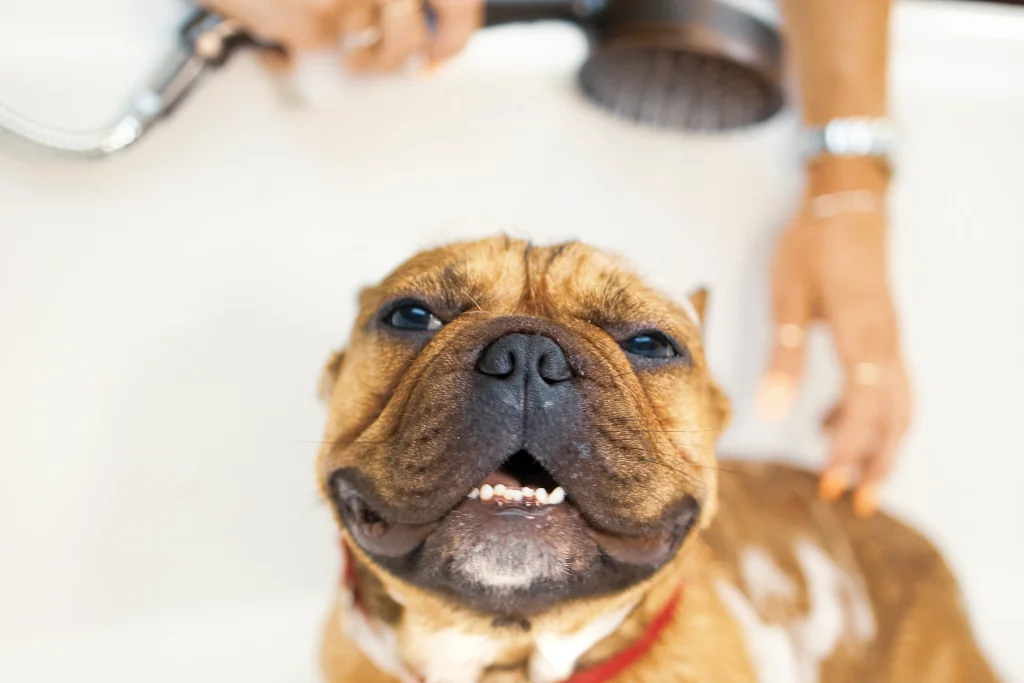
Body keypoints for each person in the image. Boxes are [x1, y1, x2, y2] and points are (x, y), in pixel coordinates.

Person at [203, 0, 912, 517]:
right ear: (331, 375)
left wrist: (847, 181)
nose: (526, 372)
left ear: (718, 413)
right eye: (414, 317)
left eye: (645, 343)